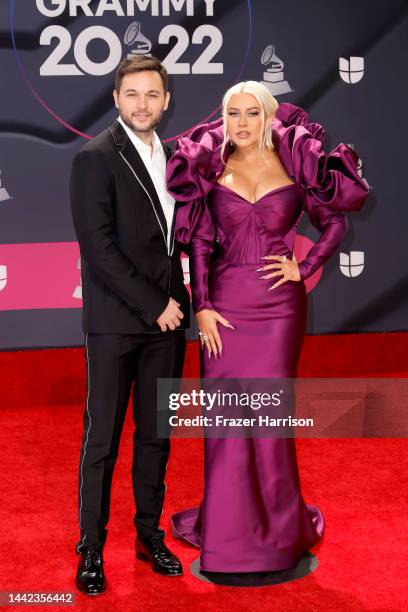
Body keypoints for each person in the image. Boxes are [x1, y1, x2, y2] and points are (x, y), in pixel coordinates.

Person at [166, 81, 371, 572]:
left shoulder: (296, 165)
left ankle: (278, 533)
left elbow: (335, 220)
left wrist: (306, 264)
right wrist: (202, 305)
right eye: (232, 113)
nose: (240, 122)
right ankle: (230, 532)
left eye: (251, 113)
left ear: (269, 117)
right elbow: (199, 242)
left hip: (278, 308)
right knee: (227, 422)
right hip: (225, 309)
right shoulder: (211, 168)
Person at [70, 55, 190, 595]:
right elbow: (98, 247)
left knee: (156, 436)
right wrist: (154, 304)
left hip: (170, 324)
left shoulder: (176, 157)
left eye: (152, 95)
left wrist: (183, 302)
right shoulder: (94, 158)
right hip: (119, 322)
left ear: (165, 102)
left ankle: (148, 534)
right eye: (132, 94)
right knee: (103, 440)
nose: (142, 104)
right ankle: (90, 549)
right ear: (117, 98)